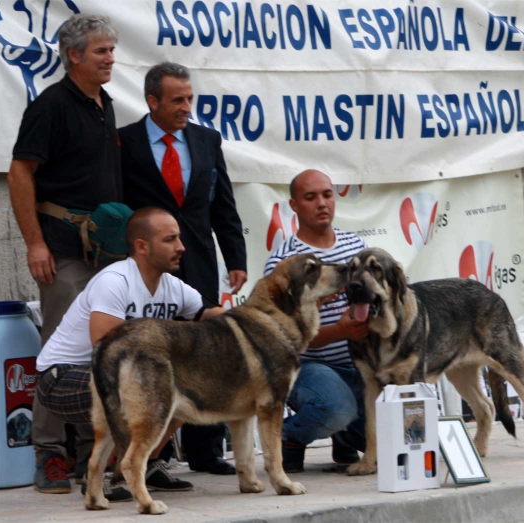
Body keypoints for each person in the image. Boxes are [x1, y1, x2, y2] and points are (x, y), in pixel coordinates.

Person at [36, 207, 226, 501]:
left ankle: (145, 464)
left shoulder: (172, 286)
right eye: (171, 239)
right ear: (142, 246)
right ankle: (102, 478)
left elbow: (215, 316)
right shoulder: (115, 281)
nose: (181, 247)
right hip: (59, 379)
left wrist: (252, 320)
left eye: (179, 238)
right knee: (139, 390)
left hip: (110, 377)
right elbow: (106, 350)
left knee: (187, 391)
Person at [6, 13, 122, 494]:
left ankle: (88, 454)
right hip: (61, 250)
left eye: (112, 50)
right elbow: (19, 172)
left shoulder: (105, 103)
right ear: (74, 55)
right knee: (59, 350)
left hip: (105, 252)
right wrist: (35, 242)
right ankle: (48, 454)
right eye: (101, 51)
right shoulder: (51, 105)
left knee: (107, 348)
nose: (110, 59)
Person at [119, 62, 247, 475]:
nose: (186, 107)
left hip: (199, 263)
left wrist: (236, 259)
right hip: (148, 267)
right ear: (152, 101)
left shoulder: (207, 139)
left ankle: (205, 451)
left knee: (205, 350)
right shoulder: (125, 142)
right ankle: (151, 455)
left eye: (189, 98)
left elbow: (222, 204)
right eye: (177, 99)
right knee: (152, 352)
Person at [264, 169, 369, 472]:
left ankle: (345, 434)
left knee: (386, 435)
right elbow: (282, 339)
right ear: (294, 205)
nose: (322, 203)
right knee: (335, 407)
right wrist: (340, 330)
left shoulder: (355, 246)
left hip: (361, 365)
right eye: (310, 197)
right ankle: (288, 437)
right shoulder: (284, 262)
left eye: (327, 195)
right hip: (307, 368)